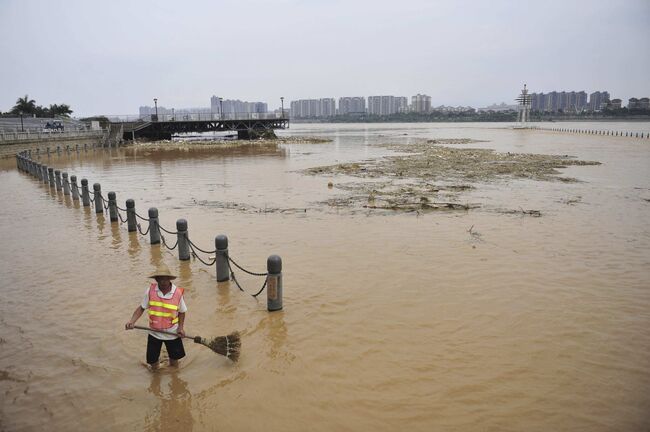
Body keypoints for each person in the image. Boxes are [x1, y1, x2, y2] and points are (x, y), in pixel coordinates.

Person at [125, 264, 187, 369]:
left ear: (169, 279)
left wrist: (180, 328)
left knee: (174, 362)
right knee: (152, 363)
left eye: (165, 279)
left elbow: (182, 312)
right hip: (154, 333)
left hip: (172, 332)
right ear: (156, 279)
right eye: (160, 279)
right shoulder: (150, 291)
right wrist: (132, 321)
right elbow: (141, 308)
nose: (162, 282)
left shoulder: (177, 293)